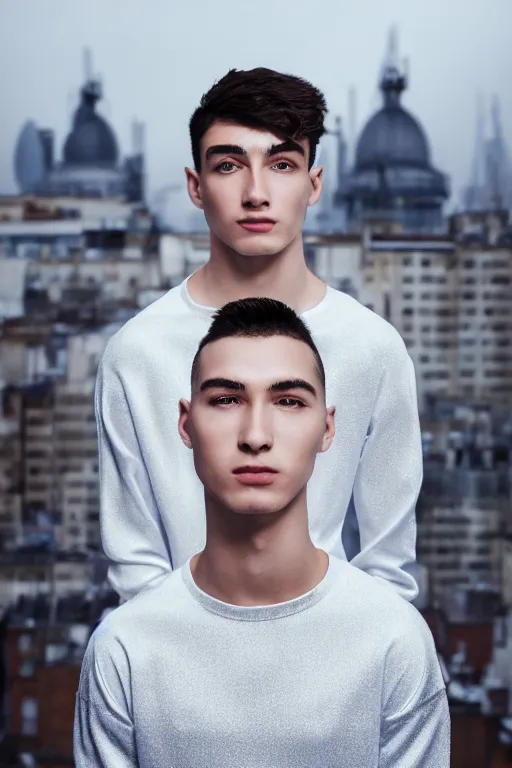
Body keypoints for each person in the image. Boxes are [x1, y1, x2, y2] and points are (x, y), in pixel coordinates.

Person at [96, 67, 422, 604]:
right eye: (229, 164)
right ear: (196, 186)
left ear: (313, 184)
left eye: (282, 163)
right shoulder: (136, 353)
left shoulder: (373, 348)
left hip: (335, 663)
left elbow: (387, 571)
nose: (255, 192)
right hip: (174, 666)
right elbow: (135, 568)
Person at [75, 299, 449, 767]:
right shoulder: (124, 648)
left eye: (289, 401)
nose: (255, 435)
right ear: (186, 425)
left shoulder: (394, 640)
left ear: (327, 428)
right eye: (227, 400)